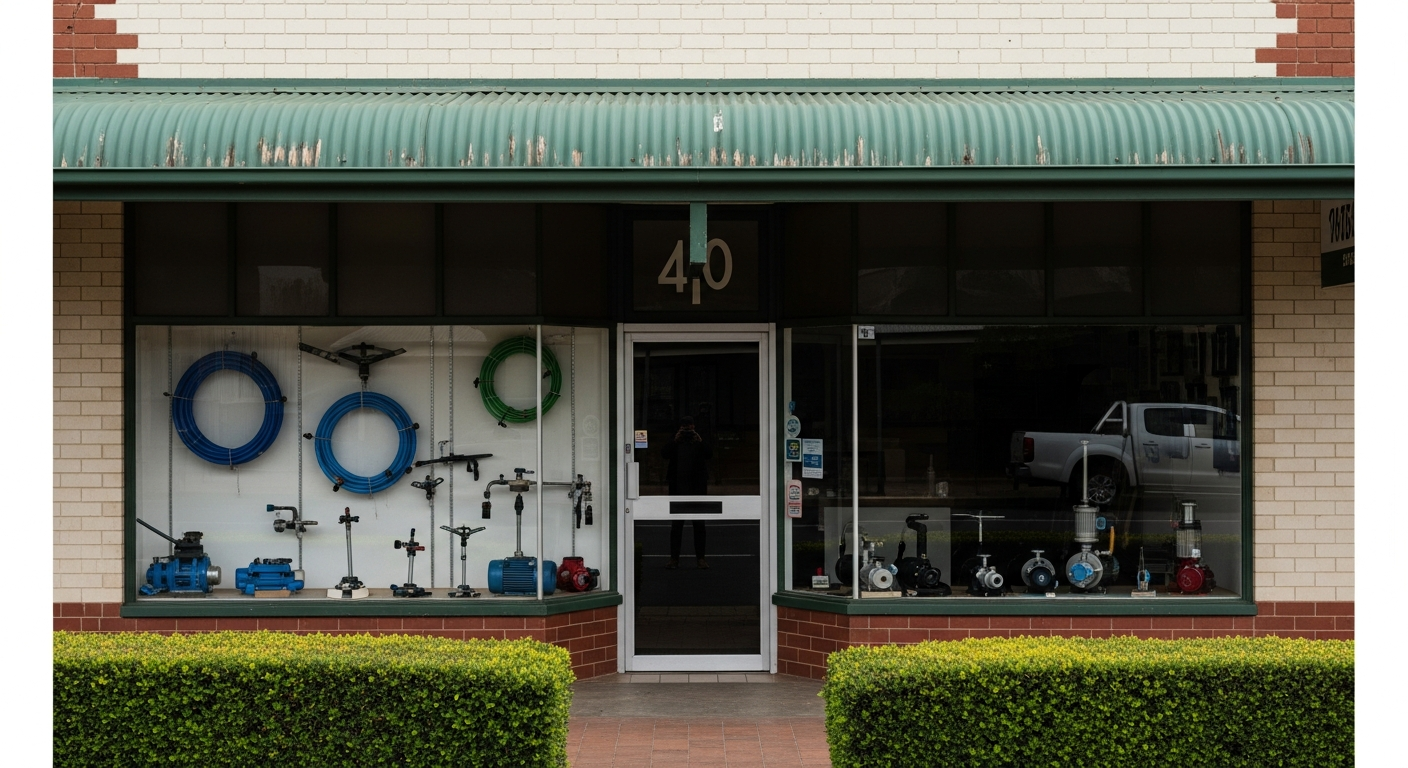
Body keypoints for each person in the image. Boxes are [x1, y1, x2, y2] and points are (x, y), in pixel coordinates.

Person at [662, 416, 711, 569]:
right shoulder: (675, 439)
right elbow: (664, 454)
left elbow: (709, 454)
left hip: (697, 487)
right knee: (676, 525)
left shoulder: (699, 439)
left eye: (689, 427)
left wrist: (700, 440)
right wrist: (675, 440)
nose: (687, 430)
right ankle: (674, 558)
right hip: (678, 487)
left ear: (694, 426)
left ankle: (701, 558)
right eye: (684, 427)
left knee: (699, 525)